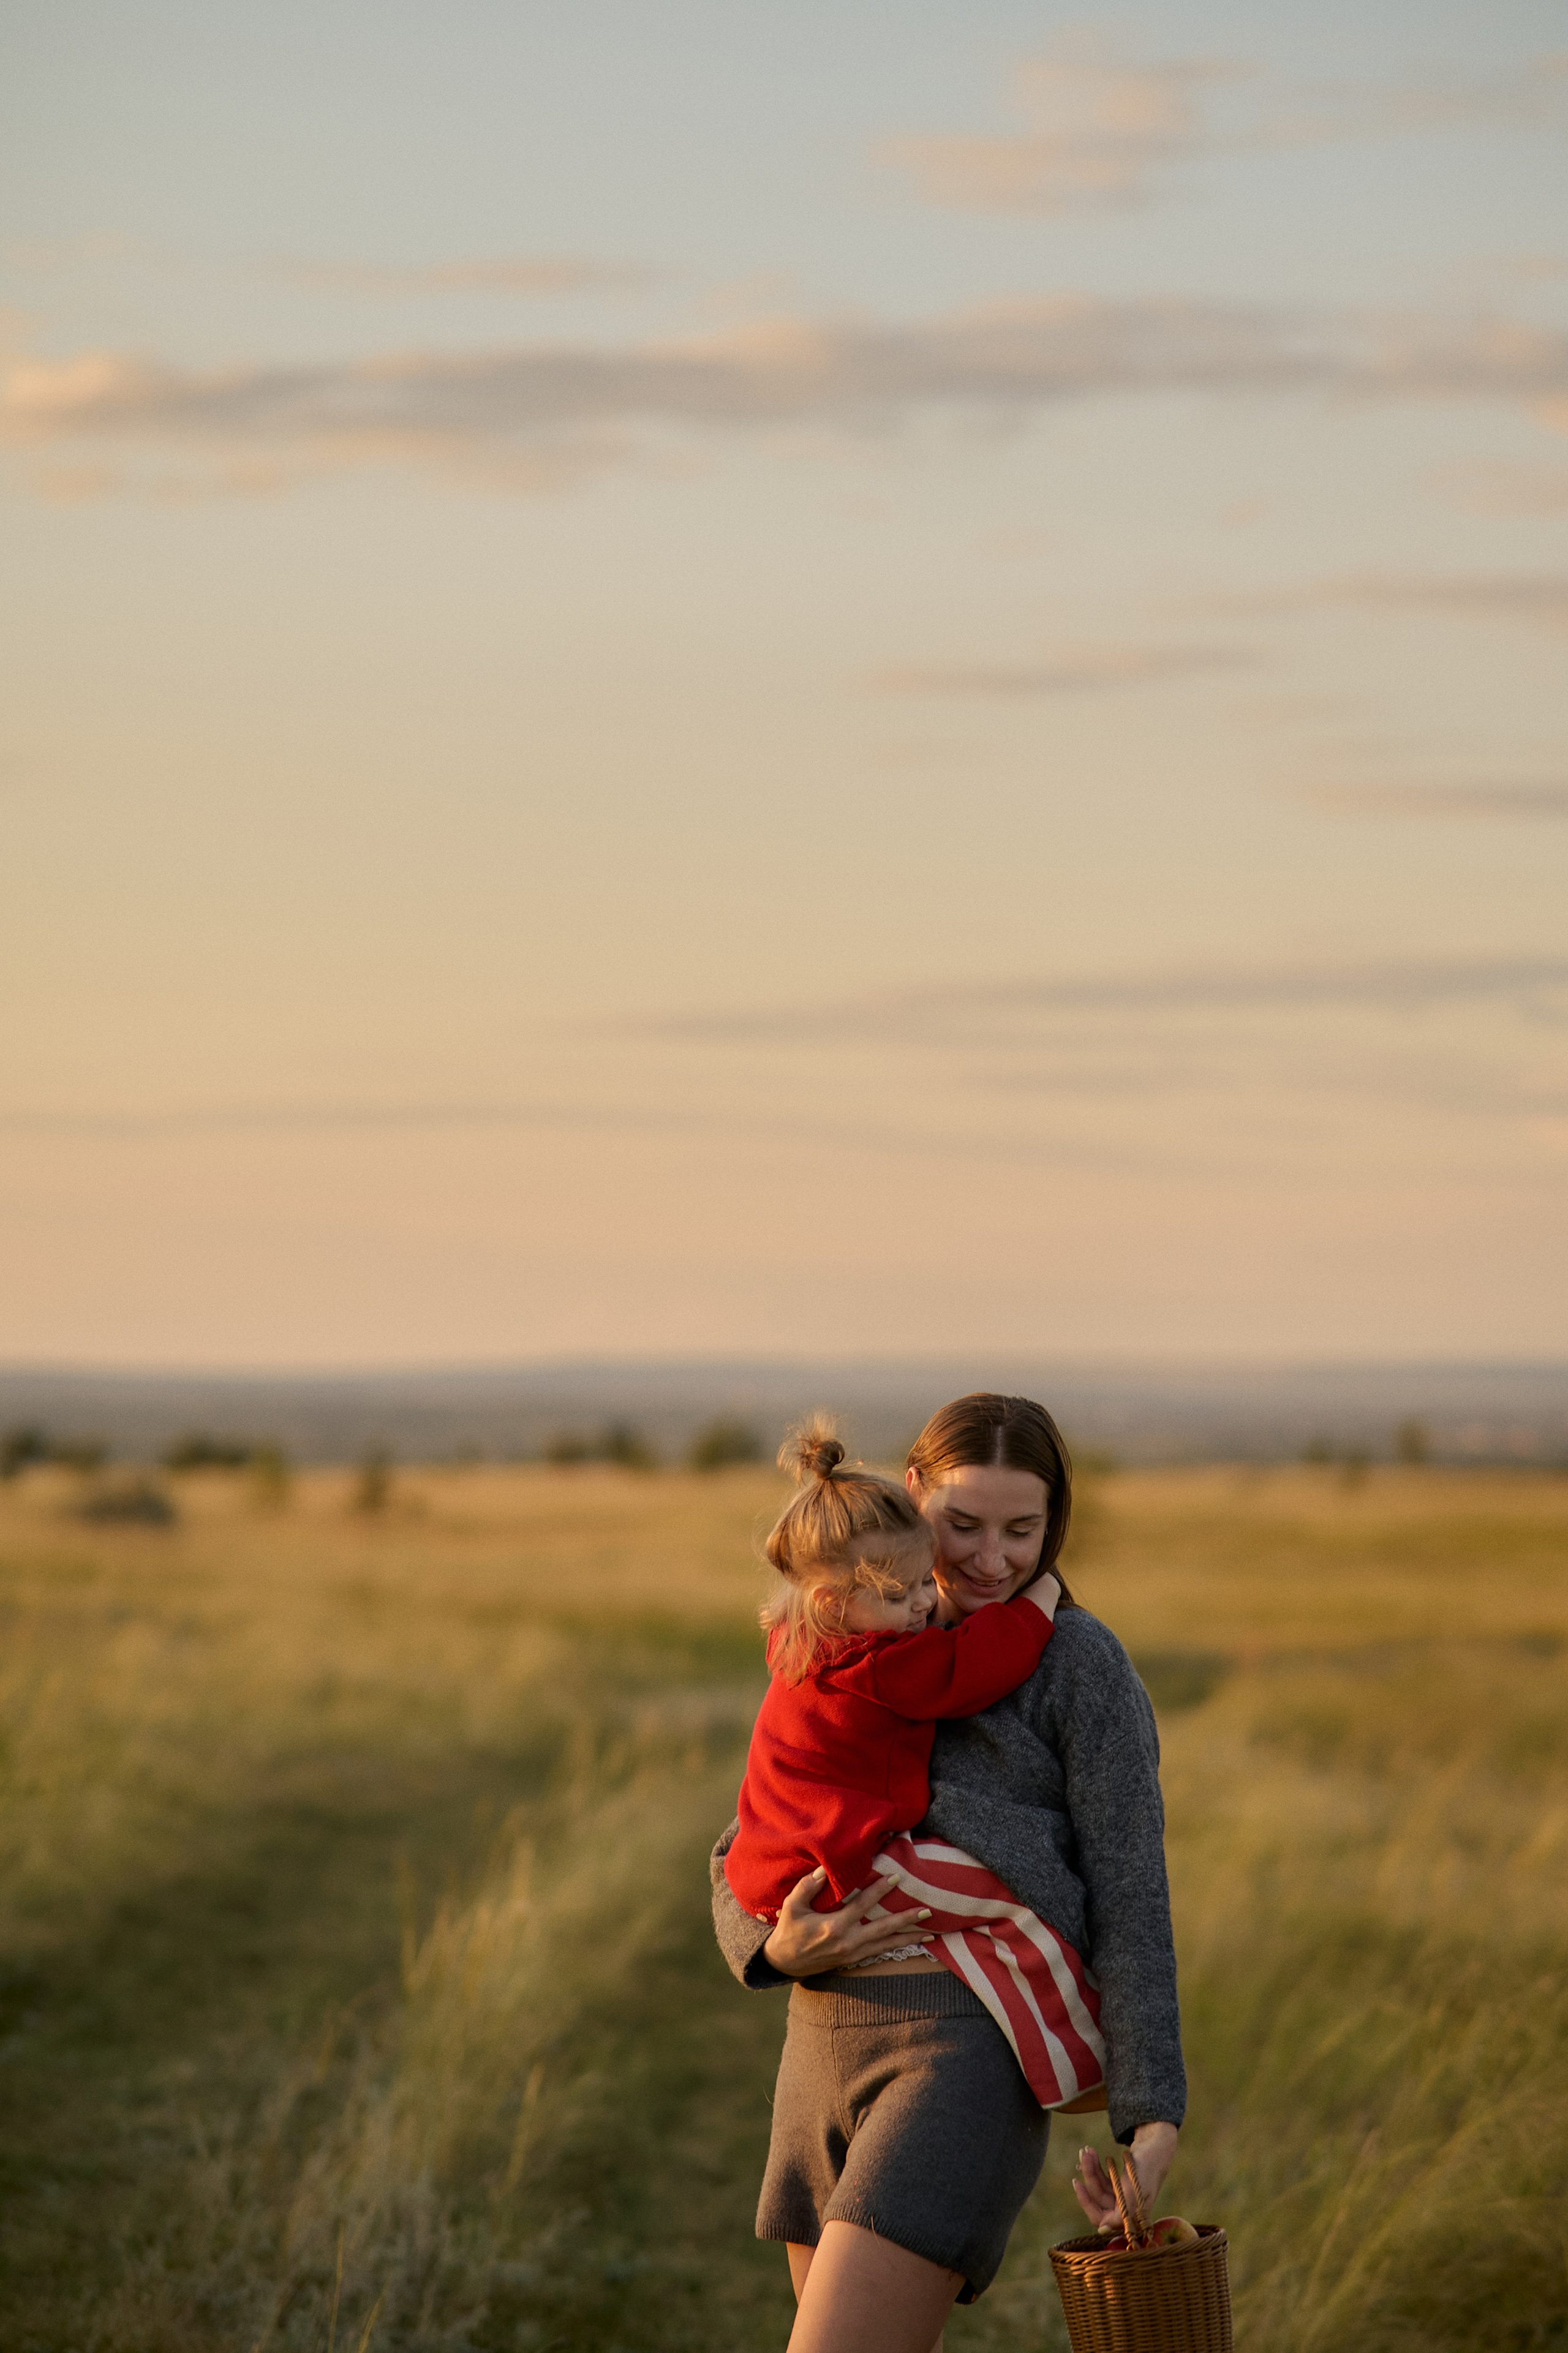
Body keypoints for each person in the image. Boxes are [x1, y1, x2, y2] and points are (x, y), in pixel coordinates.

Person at [710, 1392, 1185, 2353]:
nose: (993, 1558)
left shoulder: (1078, 1664)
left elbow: (1132, 1890)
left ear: (1056, 1523)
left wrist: (1151, 2108)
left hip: (964, 2053)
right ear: (912, 1491)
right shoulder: (843, 1625)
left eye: (1024, 1529)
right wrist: (774, 1942)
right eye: (962, 1524)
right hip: (821, 2045)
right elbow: (748, 1836)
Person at [725, 1420, 1104, 2112]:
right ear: (835, 1603)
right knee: (1010, 1904)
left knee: (980, 1921)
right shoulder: (874, 1660)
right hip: (844, 1867)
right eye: (901, 1595)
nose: (923, 1603)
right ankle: (1081, 2070)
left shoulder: (805, 1642)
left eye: (917, 1582)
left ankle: (1048, 2053)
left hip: (793, 1867)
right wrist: (1038, 1605)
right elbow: (966, 1671)